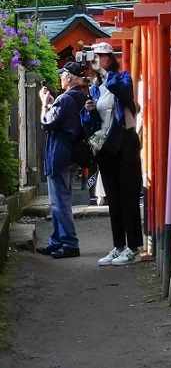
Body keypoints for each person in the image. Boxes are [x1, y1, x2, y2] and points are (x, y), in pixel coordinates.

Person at [82, 40, 143, 266]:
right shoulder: (96, 87)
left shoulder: (121, 77)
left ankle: (133, 246)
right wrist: (88, 111)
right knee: (113, 197)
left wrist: (105, 73)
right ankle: (118, 245)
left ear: (109, 57)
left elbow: (123, 90)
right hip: (106, 145)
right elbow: (93, 122)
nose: (96, 59)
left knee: (128, 194)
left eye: (100, 55)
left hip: (125, 141)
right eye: (94, 56)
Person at [37, 60, 88, 259]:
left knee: (59, 202)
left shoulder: (66, 99)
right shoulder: (80, 97)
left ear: (68, 77)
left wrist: (44, 105)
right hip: (71, 154)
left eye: (62, 75)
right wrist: (52, 105)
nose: (60, 78)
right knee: (60, 199)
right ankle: (57, 240)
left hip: (59, 154)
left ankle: (69, 242)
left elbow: (47, 123)